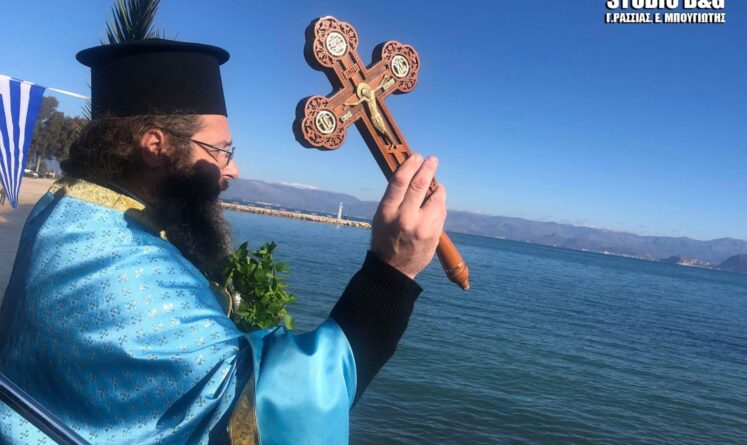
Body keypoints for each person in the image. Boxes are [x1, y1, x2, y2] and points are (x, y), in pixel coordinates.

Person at [0, 39, 447, 444]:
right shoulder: (116, 268)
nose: (232, 170)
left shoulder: (73, 212)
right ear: (155, 146)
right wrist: (392, 270)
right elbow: (259, 406)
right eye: (220, 151)